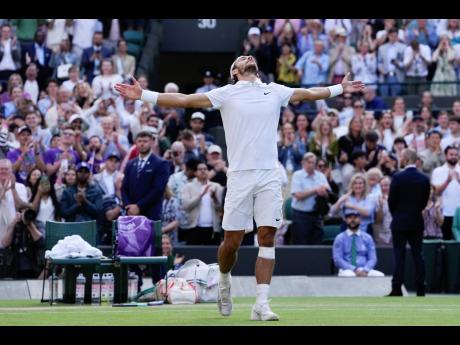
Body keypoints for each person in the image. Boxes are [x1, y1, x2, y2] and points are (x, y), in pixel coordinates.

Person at [115, 54, 364, 320]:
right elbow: (185, 99)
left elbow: (309, 93)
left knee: (267, 237)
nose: (247, 57)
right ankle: (223, 279)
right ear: (235, 71)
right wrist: (143, 95)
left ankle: (261, 303)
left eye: (250, 56)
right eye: (241, 58)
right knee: (231, 243)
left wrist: (340, 88)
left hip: (269, 175)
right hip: (240, 177)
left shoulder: (276, 90)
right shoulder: (226, 94)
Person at [387, 149, 430, 297]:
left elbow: (391, 201)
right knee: (418, 255)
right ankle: (421, 289)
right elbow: (424, 202)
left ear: (405, 159)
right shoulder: (424, 179)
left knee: (399, 256)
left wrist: (397, 215)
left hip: (399, 222)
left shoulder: (398, 178)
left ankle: (397, 289)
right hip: (416, 221)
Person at [121, 131, 169, 221]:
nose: (142, 144)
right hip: (131, 214)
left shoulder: (161, 163)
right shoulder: (130, 164)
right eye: (139, 141)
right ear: (135, 143)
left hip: (151, 214)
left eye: (145, 141)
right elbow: (124, 188)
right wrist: (128, 207)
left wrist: (139, 206)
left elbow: (158, 190)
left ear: (151, 142)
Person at [290, 153, 330, 244]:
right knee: (301, 246)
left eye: (314, 162)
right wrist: (315, 190)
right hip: (301, 216)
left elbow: (328, 194)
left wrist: (324, 193)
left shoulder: (321, 176)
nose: (311, 165)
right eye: (309, 162)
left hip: (317, 215)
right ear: (303, 163)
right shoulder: (297, 175)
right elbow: (298, 195)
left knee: (316, 245)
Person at [180, 161, 223, 245]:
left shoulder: (216, 186)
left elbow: (221, 208)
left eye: (205, 169)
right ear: (195, 172)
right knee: (195, 255)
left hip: (213, 229)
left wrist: (215, 198)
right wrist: (201, 195)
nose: (203, 171)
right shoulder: (188, 187)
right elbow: (186, 206)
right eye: (200, 169)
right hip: (194, 228)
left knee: (213, 256)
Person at [333, 209, 384, 277]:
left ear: (360, 220)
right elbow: (337, 259)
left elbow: (373, 258)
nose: (352, 220)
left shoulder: (367, 237)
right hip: (347, 270)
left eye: (355, 217)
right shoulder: (340, 238)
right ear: (345, 220)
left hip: (364, 269)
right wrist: (354, 269)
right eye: (349, 218)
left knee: (380, 275)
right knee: (350, 276)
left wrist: (365, 270)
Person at [431, 145, 460, 240]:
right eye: (451, 154)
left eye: (456, 155)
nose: (454, 157)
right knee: (446, 243)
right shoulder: (438, 171)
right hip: (445, 213)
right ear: (445, 155)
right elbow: (436, 192)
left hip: (458, 212)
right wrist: (447, 181)